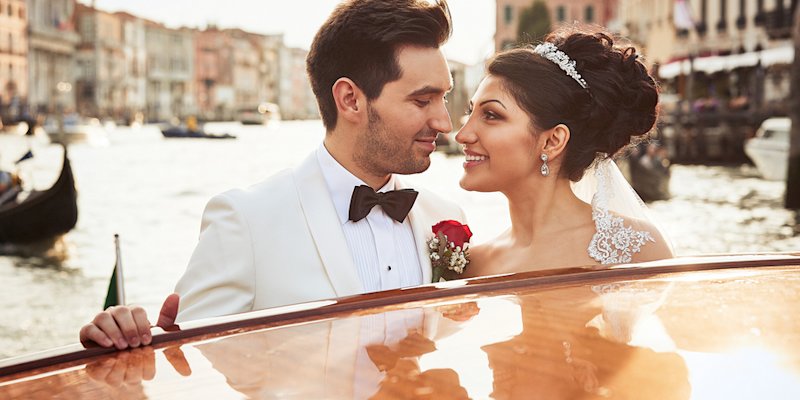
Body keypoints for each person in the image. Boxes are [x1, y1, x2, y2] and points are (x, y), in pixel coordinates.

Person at [80, 0, 464, 350]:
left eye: (443, 98)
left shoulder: (444, 219)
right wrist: (119, 345)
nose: (444, 121)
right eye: (421, 100)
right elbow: (187, 365)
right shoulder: (246, 222)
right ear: (350, 99)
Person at [456, 27, 673, 277]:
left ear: (552, 141)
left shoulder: (637, 250)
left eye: (491, 115)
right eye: (470, 112)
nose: (462, 135)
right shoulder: (472, 266)